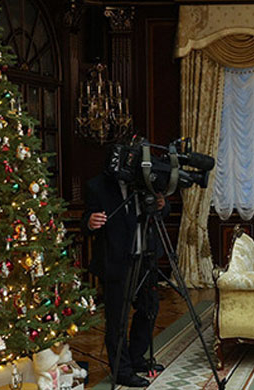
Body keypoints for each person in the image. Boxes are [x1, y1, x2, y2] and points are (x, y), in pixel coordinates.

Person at [83, 152, 168, 387]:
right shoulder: (96, 186)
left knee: (149, 308)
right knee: (117, 319)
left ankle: (137, 358)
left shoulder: (144, 179)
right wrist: (90, 221)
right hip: (115, 262)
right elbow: (86, 221)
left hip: (146, 258)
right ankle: (122, 371)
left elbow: (161, 210)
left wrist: (162, 205)